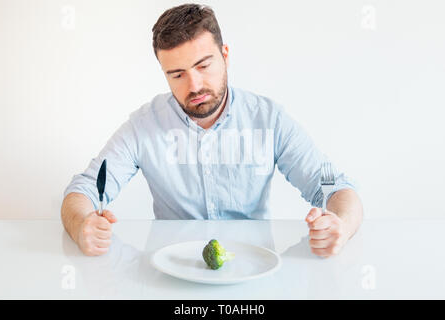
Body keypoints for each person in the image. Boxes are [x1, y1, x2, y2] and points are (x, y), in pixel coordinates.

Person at [61, 3, 363, 258]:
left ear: (225, 55)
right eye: (177, 74)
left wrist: (341, 225)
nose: (193, 86)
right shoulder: (143, 126)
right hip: (172, 272)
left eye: (203, 66)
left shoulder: (269, 119)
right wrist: (81, 225)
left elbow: (334, 185)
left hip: (253, 270)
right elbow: (82, 191)